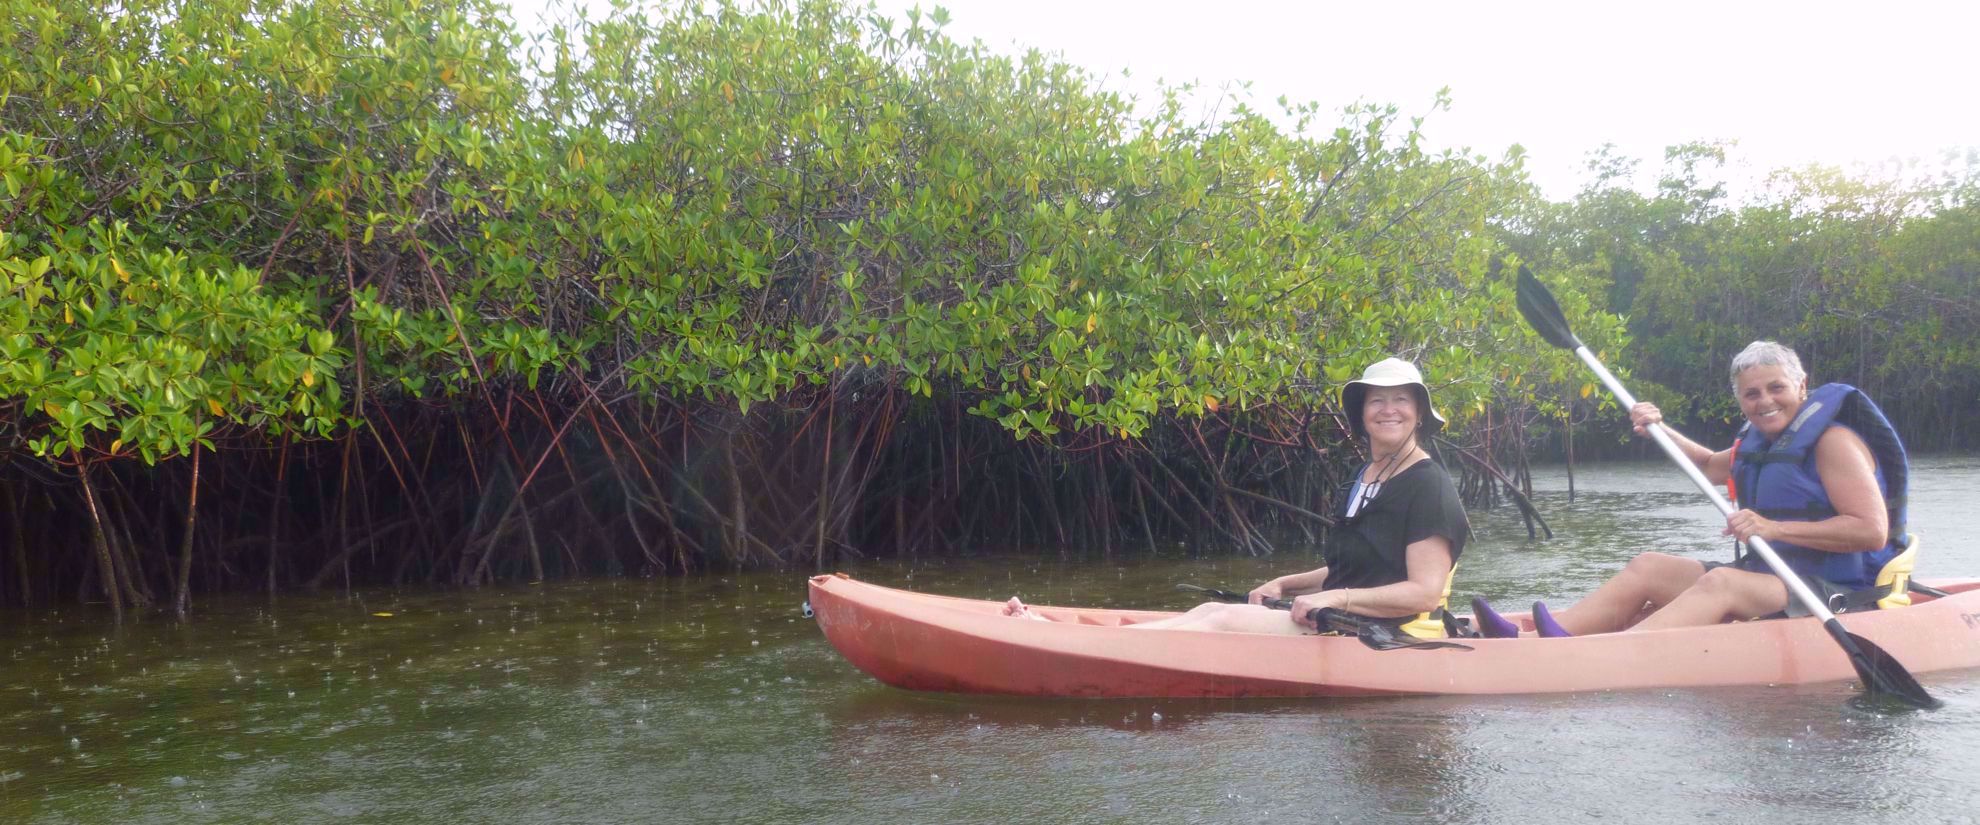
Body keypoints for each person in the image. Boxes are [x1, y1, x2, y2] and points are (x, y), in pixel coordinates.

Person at [1472, 340, 1909, 638]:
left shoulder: (1834, 443)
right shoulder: (1759, 444)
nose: (1765, 401)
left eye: (1776, 388)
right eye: (1751, 394)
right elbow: (1706, 466)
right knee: (1649, 566)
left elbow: (1871, 532)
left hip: (1836, 589)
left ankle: (1604, 655)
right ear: (1740, 400)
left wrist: (1773, 528)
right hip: (1773, 577)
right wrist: (1658, 428)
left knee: (1721, 582)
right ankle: (1538, 639)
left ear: (1802, 385)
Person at [1003, 357, 1470, 635]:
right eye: (1377, 400)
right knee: (1209, 609)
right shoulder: (1365, 475)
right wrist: (1288, 584)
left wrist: (1335, 600)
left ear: (1419, 413)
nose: (1388, 410)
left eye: (1401, 400)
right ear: (1362, 413)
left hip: (1387, 633)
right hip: (1344, 617)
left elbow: (1423, 591)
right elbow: (1365, 564)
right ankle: (1065, 632)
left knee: (1221, 622)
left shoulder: (1428, 485)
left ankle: (1055, 637)